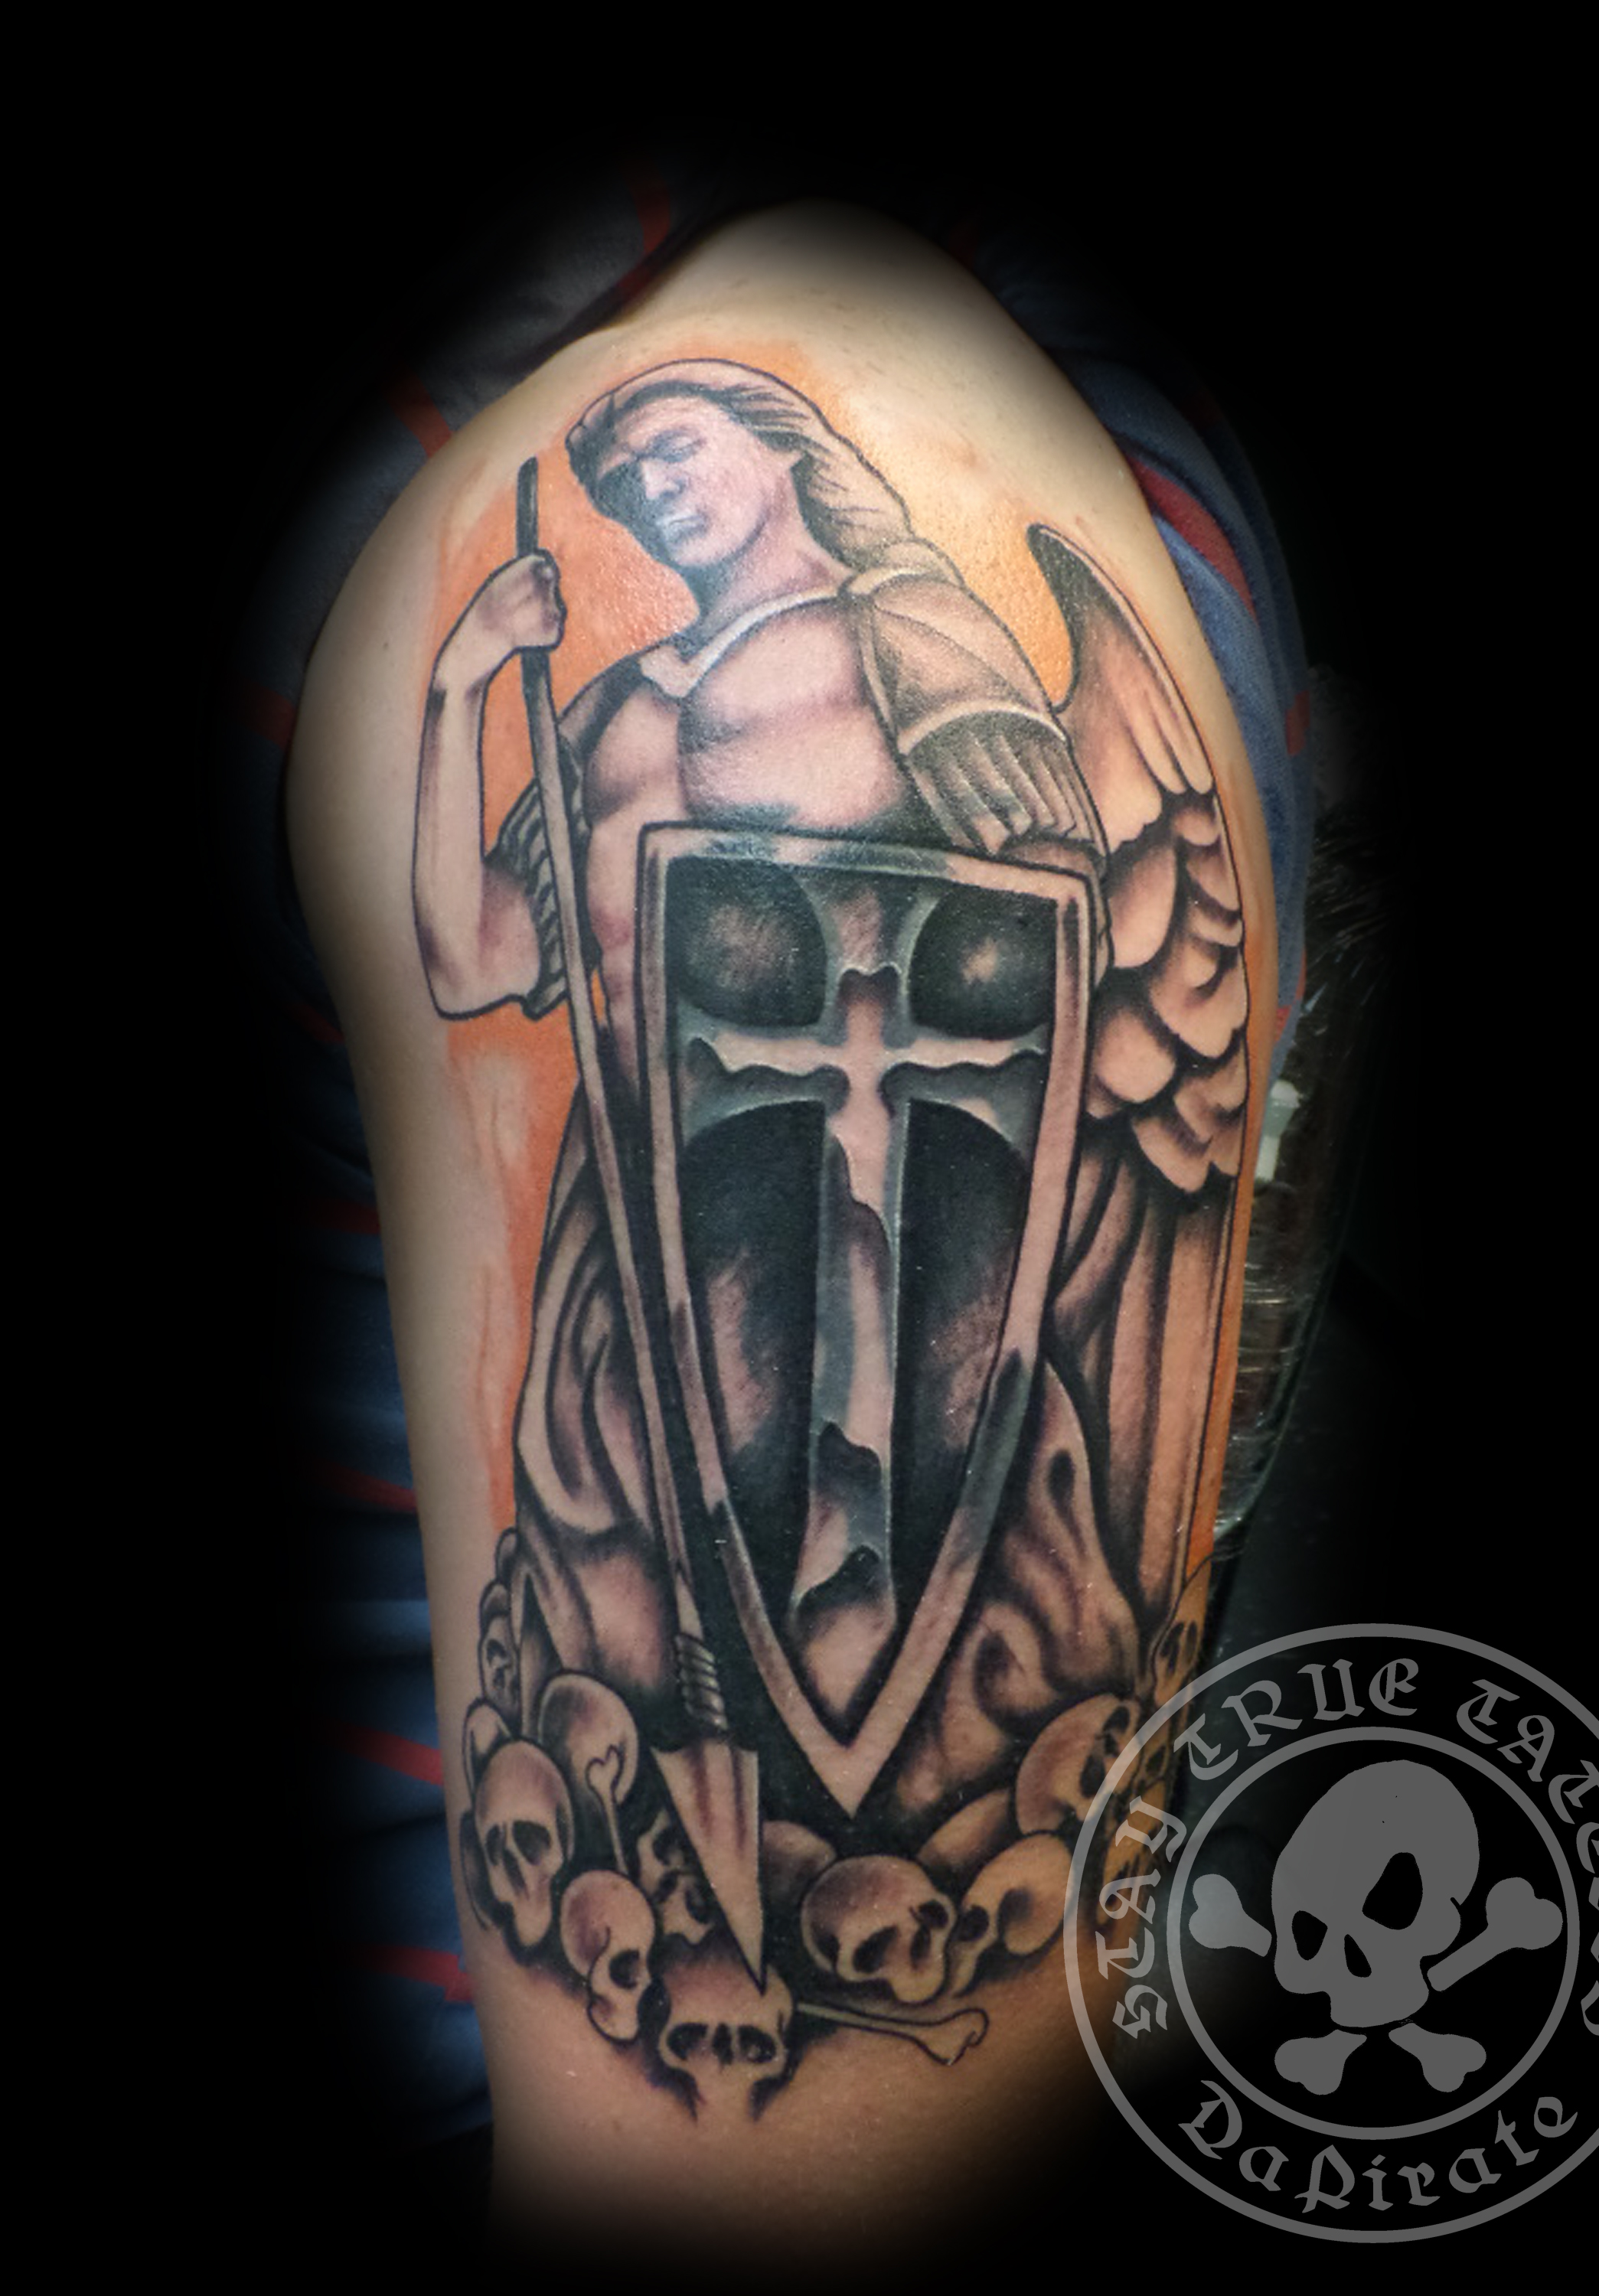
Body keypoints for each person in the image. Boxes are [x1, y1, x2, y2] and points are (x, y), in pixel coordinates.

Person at [282, 197, 1306, 2262]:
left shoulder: (933, 580)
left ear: (788, 447)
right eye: (629, 472)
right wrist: (474, 688)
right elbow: (482, 960)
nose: (644, 480)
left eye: (683, 446)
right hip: (638, 1330)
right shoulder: (608, 701)